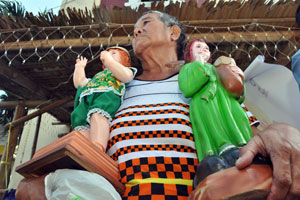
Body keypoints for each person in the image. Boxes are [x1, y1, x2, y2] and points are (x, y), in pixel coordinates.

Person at [16, 10, 300, 200]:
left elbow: (253, 132)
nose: (136, 32)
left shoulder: (207, 78)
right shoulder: (118, 89)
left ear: (173, 33)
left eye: (145, 24)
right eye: (134, 30)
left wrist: (281, 131)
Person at [178, 39, 252, 164]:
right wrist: (199, 63)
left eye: (206, 48)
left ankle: (245, 145)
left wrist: (239, 77)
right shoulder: (188, 68)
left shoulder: (218, 67)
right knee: (212, 122)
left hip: (227, 101)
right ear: (189, 52)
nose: (204, 49)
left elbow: (236, 93)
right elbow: (187, 89)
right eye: (198, 47)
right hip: (206, 101)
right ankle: (221, 149)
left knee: (237, 118)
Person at [71, 46, 137, 151]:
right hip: (88, 97)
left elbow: (126, 76)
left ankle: (98, 147)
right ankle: (83, 150)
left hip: (105, 97)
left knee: (97, 115)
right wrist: (79, 68)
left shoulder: (123, 70)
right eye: (108, 53)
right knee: (81, 122)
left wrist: (109, 60)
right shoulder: (98, 75)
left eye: (113, 53)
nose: (108, 54)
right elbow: (80, 83)